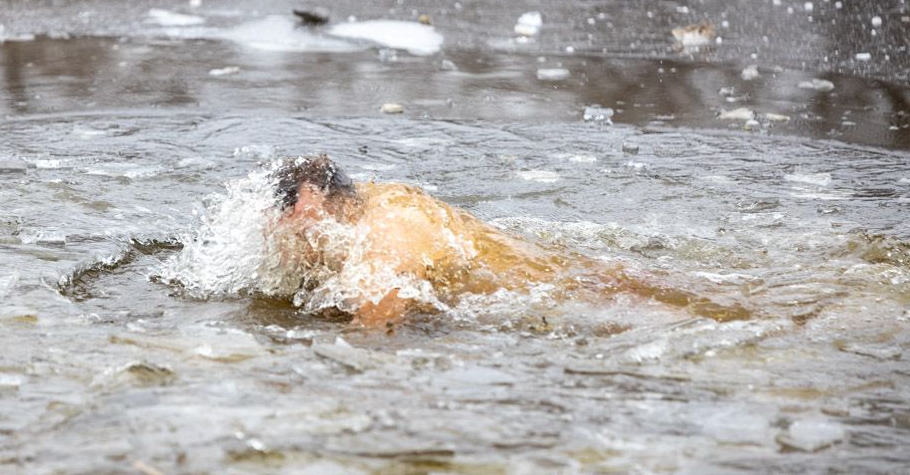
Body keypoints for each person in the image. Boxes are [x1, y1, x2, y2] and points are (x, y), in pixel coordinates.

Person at [267, 155, 749, 327]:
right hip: (560, 270)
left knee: (698, 317)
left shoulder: (381, 247)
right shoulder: (374, 198)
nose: (287, 237)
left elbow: (378, 341)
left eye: (301, 221)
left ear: (325, 209)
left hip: (564, 298)